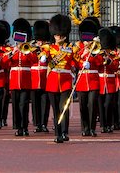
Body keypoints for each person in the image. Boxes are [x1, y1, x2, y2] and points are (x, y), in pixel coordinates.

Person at [3, 18, 36, 136]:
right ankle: (18, 127)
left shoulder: (29, 50)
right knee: (16, 105)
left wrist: (27, 52)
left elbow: (34, 60)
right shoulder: (11, 49)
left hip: (26, 81)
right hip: (15, 82)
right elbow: (3, 63)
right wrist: (13, 53)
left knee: (24, 104)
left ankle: (25, 127)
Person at [44, 14, 74, 143]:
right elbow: (43, 57)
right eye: (57, 35)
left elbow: (75, 62)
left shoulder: (71, 48)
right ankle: (58, 133)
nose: (59, 38)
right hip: (52, 81)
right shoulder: (48, 48)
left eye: (61, 35)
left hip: (66, 81)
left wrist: (79, 64)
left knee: (64, 107)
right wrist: (43, 58)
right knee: (55, 109)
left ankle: (64, 131)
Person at [74, 18, 100, 137]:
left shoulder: (96, 48)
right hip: (82, 80)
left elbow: (100, 62)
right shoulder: (78, 48)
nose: (86, 41)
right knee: (83, 106)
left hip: (93, 80)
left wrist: (92, 57)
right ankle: (85, 127)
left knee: (92, 104)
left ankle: (92, 128)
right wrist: (82, 57)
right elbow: (74, 61)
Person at [31, 20, 51, 133]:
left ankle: (44, 123)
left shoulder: (49, 48)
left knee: (45, 102)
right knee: (35, 102)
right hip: (34, 79)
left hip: (45, 78)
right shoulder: (31, 47)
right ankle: (37, 123)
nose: (39, 41)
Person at [98, 27, 119, 133]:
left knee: (109, 104)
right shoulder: (98, 54)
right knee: (101, 105)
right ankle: (103, 125)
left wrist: (109, 61)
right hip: (100, 82)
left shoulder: (114, 55)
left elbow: (116, 67)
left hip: (110, 83)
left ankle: (109, 124)